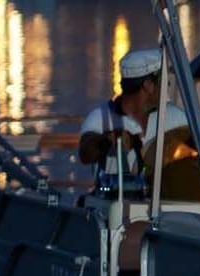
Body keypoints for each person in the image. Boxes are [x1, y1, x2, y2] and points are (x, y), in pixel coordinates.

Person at [78, 46, 187, 183]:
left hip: (169, 200)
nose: (168, 86)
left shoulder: (178, 118)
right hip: (117, 201)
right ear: (148, 85)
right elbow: (85, 154)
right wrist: (106, 140)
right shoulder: (100, 117)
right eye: (164, 81)